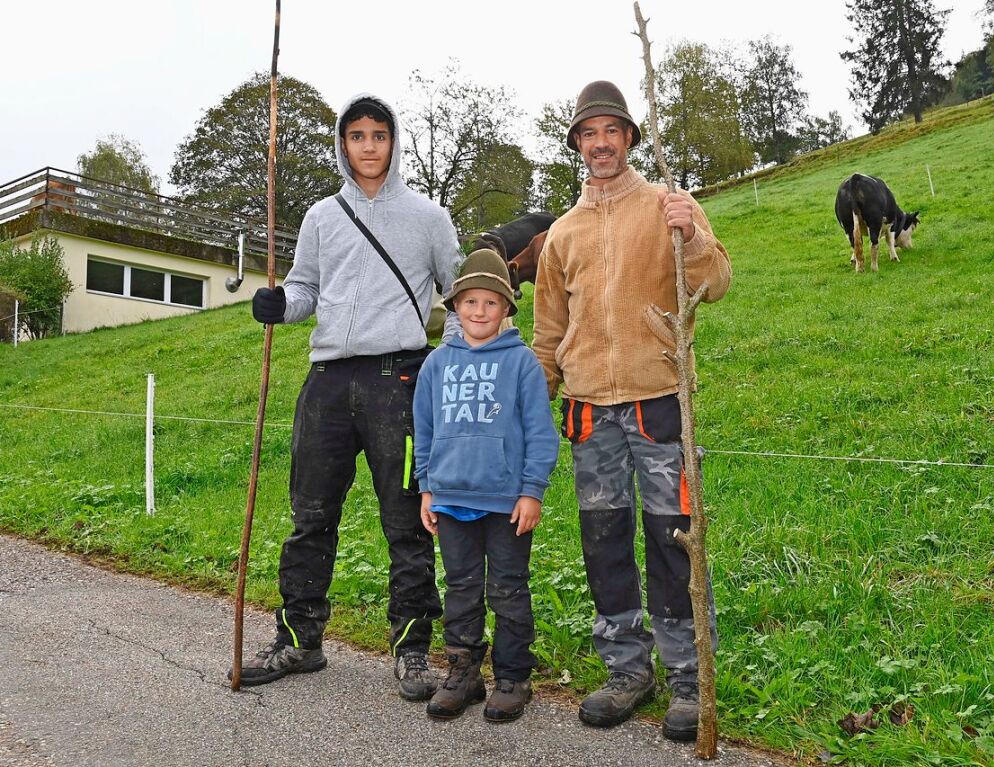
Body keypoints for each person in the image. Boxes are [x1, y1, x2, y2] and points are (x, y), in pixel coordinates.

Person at [234, 93, 463, 701]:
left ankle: (413, 649)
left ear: (394, 141)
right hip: (328, 384)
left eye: (378, 135)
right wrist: (282, 305)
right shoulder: (320, 217)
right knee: (310, 516)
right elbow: (308, 287)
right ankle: (298, 640)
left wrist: (449, 362)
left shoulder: (428, 217)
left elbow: (462, 292)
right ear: (343, 144)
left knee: (408, 521)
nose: (368, 146)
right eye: (356, 135)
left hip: (400, 382)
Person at [532, 81, 732, 741]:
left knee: (674, 540)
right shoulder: (561, 233)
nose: (599, 143)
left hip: (658, 404)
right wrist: (538, 403)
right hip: (590, 413)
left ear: (628, 138)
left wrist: (692, 236)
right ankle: (626, 669)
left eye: (610, 130)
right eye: (587, 134)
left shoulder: (667, 205)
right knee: (603, 542)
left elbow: (714, 282)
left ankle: (684, 679)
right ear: (577, 146)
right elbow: (545, 337)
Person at [413, 248, 559, 722]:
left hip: (506, 501)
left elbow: (540, 431)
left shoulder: (521, 364)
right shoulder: (436, 365)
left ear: (507, 309)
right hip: (451, 497)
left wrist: (532, 490)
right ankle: (464, 671)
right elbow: (425, 428)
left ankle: (514, 676)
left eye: (491, 303)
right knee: (460, 587)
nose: (480, 311)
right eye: (470, 301)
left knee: (508, 589)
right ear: (455, 307)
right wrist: (427, 487)